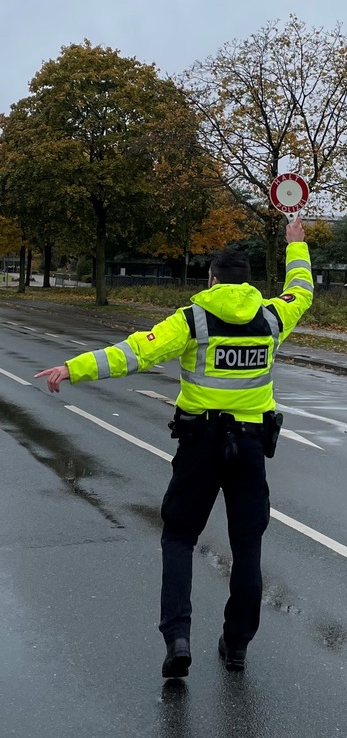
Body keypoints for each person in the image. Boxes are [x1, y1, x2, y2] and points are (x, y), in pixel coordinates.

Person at [36, 218, 313, 678]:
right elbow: (300, 290)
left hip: (200, 445)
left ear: (212, 280)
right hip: (249, 448)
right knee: (247, 547)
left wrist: (73, 368)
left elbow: (132, 353)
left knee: (180, 538)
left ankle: (178, 638)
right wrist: (296, 245)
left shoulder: (192, 320)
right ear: (249, 282)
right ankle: (237, 645)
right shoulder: (272, 317)